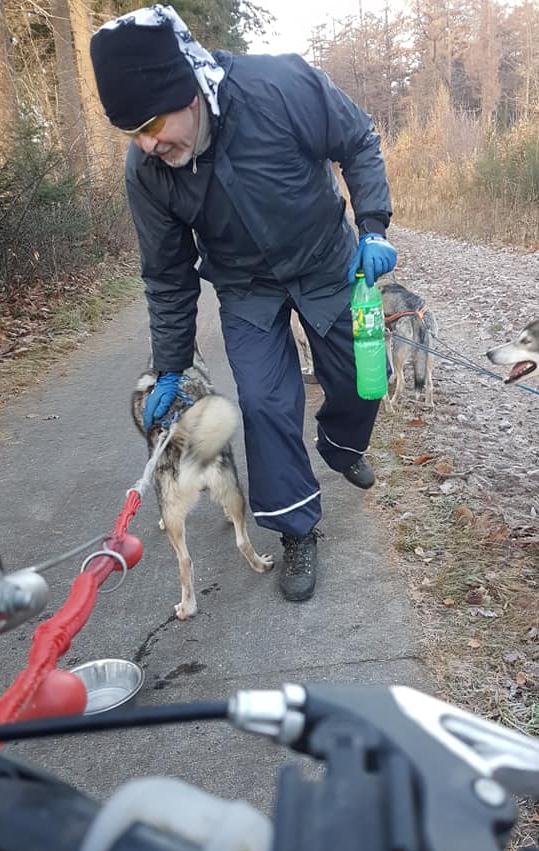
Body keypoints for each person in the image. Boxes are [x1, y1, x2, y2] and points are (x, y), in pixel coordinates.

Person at [89, 4, 397, 602]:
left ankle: (341, 445)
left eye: (154, 123)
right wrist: (172, 364)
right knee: (264, 403)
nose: (149, 144)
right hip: (246, 287)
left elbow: (358, 140)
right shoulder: (148, 171)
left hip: (326, 261)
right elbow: (168, 273)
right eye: (133, 133)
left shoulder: (278, 87)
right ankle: (298, 531)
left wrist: (375, 227)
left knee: (364, 381)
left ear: (189, 91)